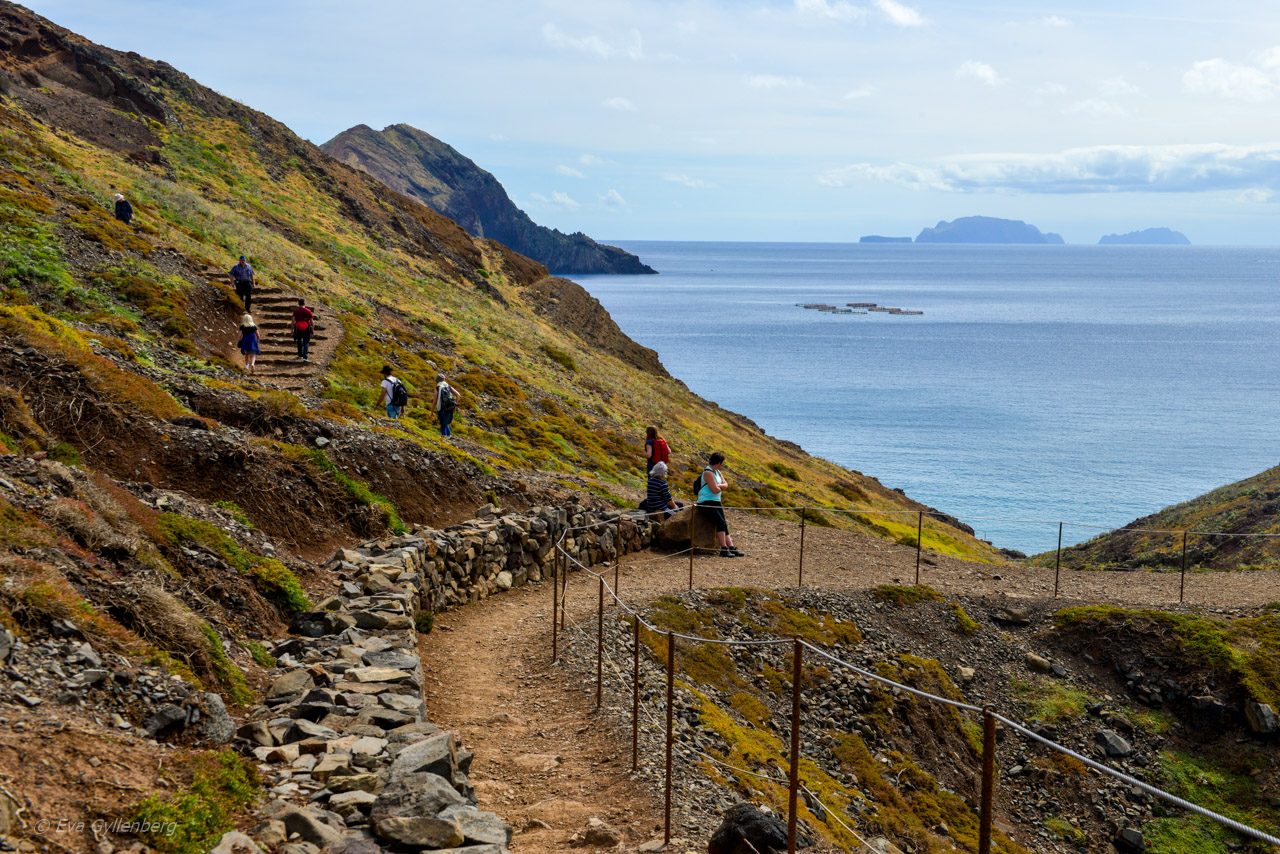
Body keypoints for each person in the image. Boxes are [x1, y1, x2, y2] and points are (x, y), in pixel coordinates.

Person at [697, 451, 743, 558]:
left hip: (716, 501)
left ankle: (731, 547)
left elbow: (725, 485)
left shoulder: (717, 472)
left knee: (723, 523)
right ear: (718, 463)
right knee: (720, 522)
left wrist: (719, 485)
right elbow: (715, 490)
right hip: (706, 502)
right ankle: (723, 549)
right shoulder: (708, 472)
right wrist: (720, 486)